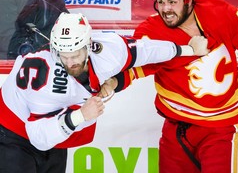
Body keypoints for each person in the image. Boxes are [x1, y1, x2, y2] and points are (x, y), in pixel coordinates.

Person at [101, 0, 238, 173]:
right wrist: (111, 83)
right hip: (175, 132)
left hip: (222, 130)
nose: (166, 9)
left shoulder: (220, 13)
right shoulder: (151, 31)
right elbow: (134, 69)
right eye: (160, 1)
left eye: (173, 2)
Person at [0, 12, 198, 173]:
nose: (70, 63)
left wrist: (187, 49)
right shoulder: (47, 83)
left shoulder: (109, 50)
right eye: (64, 56)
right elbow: (38, 137)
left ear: (88, 46)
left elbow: (146, 50)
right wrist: (79, 116)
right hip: (14, 131)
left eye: (76, 55)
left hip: (54, 126)